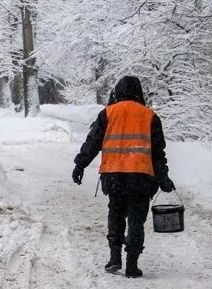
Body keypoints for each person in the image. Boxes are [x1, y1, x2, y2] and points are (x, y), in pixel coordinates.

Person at [71, 76, 174, 278]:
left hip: (114, 175)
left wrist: (80, 164)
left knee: (116, 215)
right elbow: (157, 153)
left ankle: (114, 257)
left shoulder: (108, 113)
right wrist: (163, 178)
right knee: (136, 221)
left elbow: (93, 142)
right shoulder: (150, 116)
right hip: (142, 177)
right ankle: (132, 265)